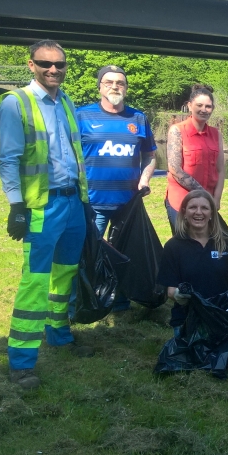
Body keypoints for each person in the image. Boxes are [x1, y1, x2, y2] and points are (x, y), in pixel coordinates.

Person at [0, 40, 94, 389]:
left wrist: (83, 199)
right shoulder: (15, 104)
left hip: (71, 203)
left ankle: (59, 335)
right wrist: (16, 206)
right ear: (31, 64)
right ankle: (21, 362)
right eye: (45, 63)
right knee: (36, 280)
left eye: (60, 64)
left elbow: (73, 154)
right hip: (41, 206)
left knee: (65, 274)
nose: (53, 69)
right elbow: (7, 159)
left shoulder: (65, 101)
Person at [76, 65, 157, 312]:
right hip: (93, 203)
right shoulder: (82, 116)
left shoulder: (138, 118)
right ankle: (90, 300)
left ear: (126, 88)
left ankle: (121, 299)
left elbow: (150, 156)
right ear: (100, 86)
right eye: (109, 82)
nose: (115, 87)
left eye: (120, 83)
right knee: (90, 253)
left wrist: (145, 178)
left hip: (128, 204)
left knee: (126, 255)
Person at [158, 189, 228, 369]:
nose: (198, 212)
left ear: (212, 213)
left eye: (204, 208)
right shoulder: (173, 247)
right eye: (193, 208)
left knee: (225, 363)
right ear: (184, 212)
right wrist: (179, 295)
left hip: (221, 317)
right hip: (188, 318)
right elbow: (170, 289)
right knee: (196, 359)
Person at [165, 84, 225, 233]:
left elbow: (221, 170)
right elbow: (174, 169)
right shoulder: (177, 130)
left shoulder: (216, 134)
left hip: (207, 204)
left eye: (208, 106)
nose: (204, 110)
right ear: (190, 106)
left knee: (209, 244)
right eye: (199, 105)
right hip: (181, 202)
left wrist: (216, 198)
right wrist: (203, 194)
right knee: (184, 246)